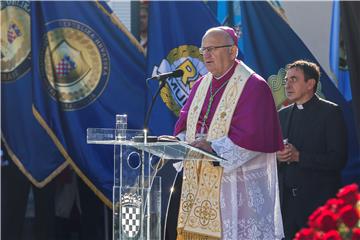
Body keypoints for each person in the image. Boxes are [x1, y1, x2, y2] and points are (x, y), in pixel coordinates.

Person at [173, 26, 284, 240]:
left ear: (232, 52)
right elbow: (187, 124)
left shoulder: (253, 86)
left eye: (212, 49)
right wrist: (178, 141)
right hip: (199, 182)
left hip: (236, 187)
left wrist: (212, 147)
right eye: (203, 49)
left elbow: (252, 136)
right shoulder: (200, 85)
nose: (206, 55)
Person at [276, 60, 348, 239]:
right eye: (286, 80)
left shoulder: (331, 113)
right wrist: (278, 156)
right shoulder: (281, 115)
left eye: (294, 79)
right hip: (288, 207)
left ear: (310, 84)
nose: (288, 84)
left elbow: (338, 159)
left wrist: (299, 156)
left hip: (318, 205)